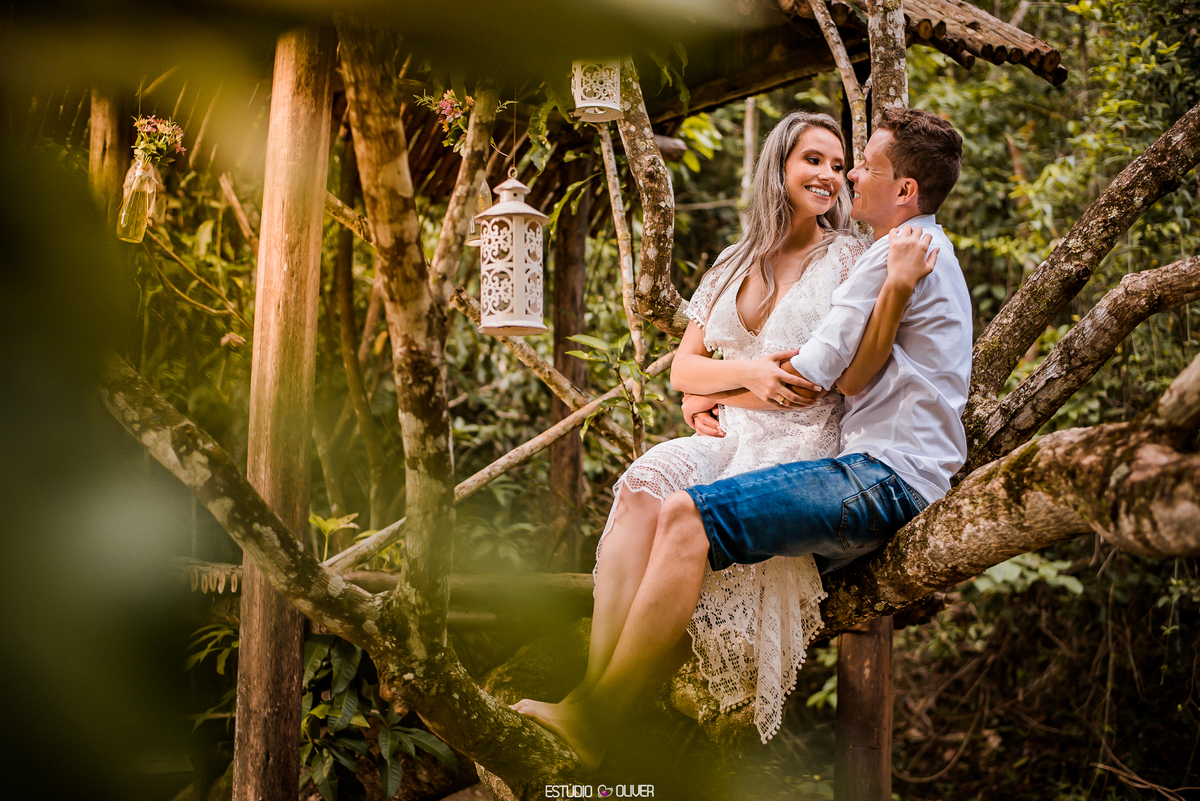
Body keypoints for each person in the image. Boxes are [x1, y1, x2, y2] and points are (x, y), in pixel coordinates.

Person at [513, 107, 968, 771]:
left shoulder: (875, 258)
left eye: (856, 163)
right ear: (776, 165)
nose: (846, 175)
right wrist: (719, 385)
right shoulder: (890, 253)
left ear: (904, 189)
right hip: (863, 464)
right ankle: (590, 698)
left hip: (869, 469)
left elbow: (822, 378)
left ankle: (596, 716)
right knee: (650, 490)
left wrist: (711, 389)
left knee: (687, 515)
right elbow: (833, 368)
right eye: (825, 160)